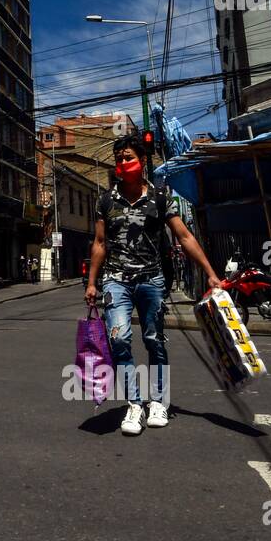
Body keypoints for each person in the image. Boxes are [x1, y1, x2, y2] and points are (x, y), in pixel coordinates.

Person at [85, 135, 222, 436]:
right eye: (119, 159)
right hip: (115, 280)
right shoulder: (106, 200)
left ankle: (158, 402)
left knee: (154, 340)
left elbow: (184, 237)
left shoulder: (160, 198)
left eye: (129, 157)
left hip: (151, 279)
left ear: (142, 161)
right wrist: (92, 282)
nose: (123, 163)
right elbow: (99, 243)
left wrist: (210, 273)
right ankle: (134, 404)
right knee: (119, 340)